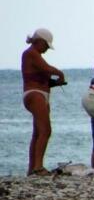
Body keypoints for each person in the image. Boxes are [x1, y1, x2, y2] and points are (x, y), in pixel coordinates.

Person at [21, 28, 66, 176]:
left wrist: (53, 83)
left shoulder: (36, 56)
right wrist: (60, 74)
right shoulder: (31, 54)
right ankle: (38, 167)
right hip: (35, 95)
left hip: (40, 94)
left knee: (38, 133)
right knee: (46, 130)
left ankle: (32, 168)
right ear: (39, 41)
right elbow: (46, 68)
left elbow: (42, 75)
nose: (47, 49)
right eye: (46, 45)